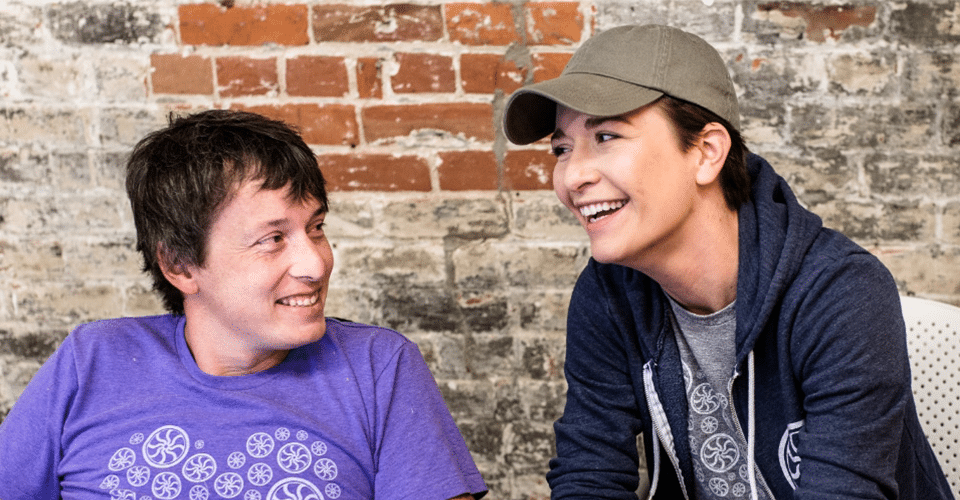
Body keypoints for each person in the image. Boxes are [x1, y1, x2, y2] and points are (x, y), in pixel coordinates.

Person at [502, 24, 954, 499]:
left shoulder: (842, 293)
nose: (573, 176)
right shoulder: (609, 293)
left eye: (607, 136)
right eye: (562, 149)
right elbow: (588, 475)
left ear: (707, 152)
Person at [0, 109, 487, 500]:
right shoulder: (92, 361)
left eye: (315, 228)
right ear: (181, 266)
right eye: (273, 239)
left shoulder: (379, 368)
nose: (316, 264)